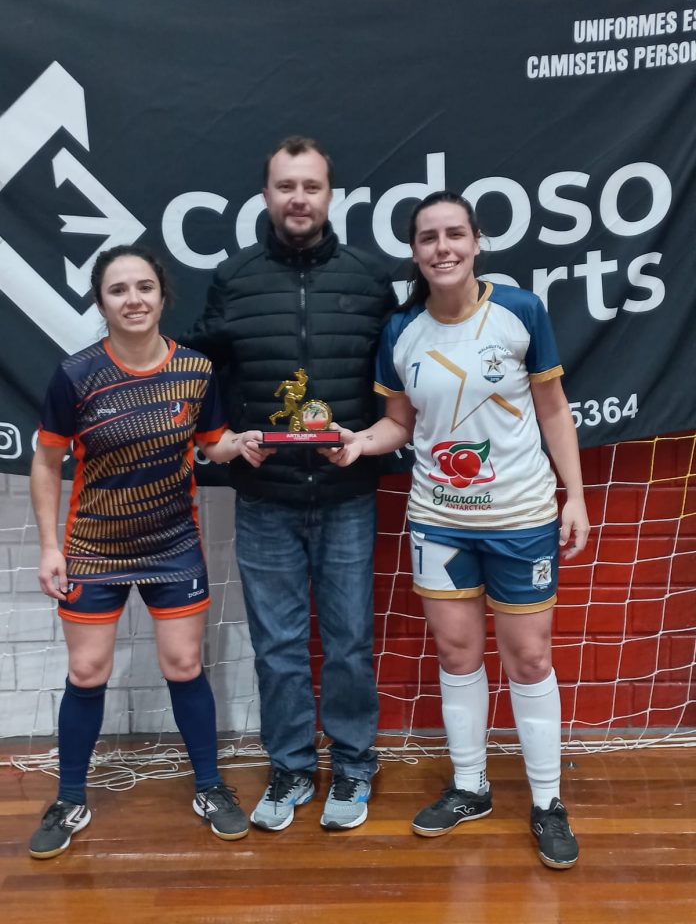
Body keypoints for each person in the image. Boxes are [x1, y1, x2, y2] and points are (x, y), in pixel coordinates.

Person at [324, 190, 590, 868]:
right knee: (456, 654)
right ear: (414, 252)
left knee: (529, 660)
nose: (442, 248)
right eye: (428, 238)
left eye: (453, 234)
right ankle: (470, 786)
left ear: (476, 243)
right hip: (439, 521)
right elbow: (398, 425)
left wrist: (576, 496)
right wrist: (359, 443)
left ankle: (547, 801)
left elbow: (553, 409)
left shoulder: (520, 311)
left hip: (521, 517)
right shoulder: (401, 330)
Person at [182, 136, 396, 831]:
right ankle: (292, 765)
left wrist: (364, 445)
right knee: (276, 647)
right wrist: (222, 443)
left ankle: (355, 763)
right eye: (285, 186)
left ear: (330, 195)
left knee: (349, 642)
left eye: (310, 186)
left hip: (346, 497)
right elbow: (203, 373)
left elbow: (396, 384)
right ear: (266, 195)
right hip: (265, 499)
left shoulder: (370, 279)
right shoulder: (234, 278)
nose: (298, 199)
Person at [28, 245, 262, 859]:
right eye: (118, 290)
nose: (133, 300)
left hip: (173, 546)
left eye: (144, 287)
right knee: (87, 673)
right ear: (101, 302)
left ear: (162, 295)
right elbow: (47, 462)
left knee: (184, 666)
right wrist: (50, 547)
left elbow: (213, 444)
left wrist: (245, 443)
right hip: (93, 548)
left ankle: (209, 787)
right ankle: (70, 797)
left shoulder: (196, 370)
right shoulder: (76, 375)